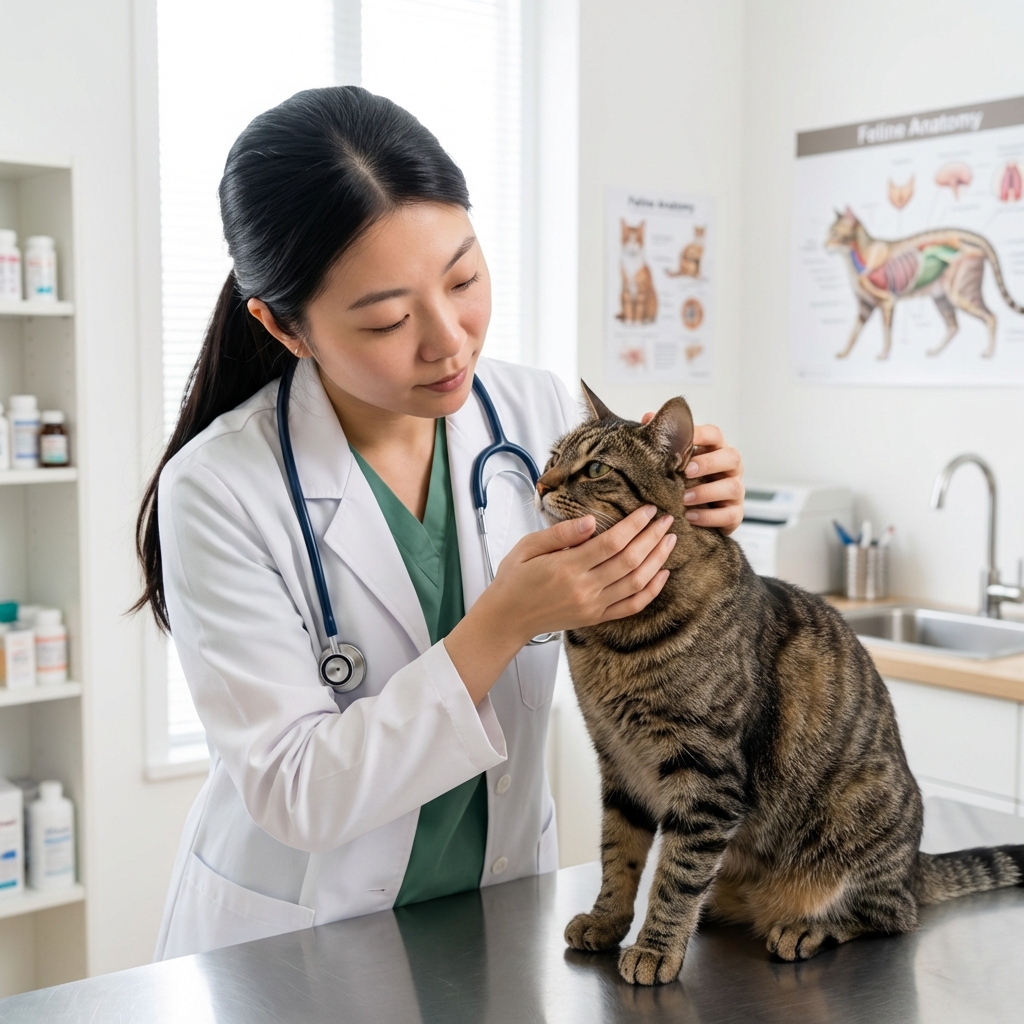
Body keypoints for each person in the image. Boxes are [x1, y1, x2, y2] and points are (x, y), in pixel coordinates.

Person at [135, 87, 745, 960]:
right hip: (299, 946)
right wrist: (506, 620)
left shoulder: (537, 411)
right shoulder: (220, 488)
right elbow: (296, 790)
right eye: (387, 319)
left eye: (463, 278)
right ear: (283, 325)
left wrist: (694, 515)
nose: (450, 340)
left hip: (497, 915)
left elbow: (678, 640)